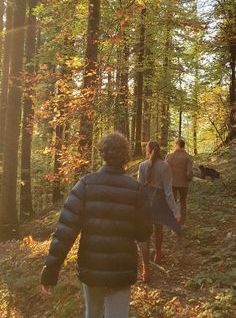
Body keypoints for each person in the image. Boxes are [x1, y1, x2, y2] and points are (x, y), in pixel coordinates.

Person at [41, 131, 152, 318]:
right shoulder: (136, 190)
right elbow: (143, 233)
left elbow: (65, 231)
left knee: (92, 314)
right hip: (121, 269)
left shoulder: (85, 185)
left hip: (92, 268)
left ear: (103, 153)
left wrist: (51, 270)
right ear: (125, 156)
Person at [138, 139, 181, 282]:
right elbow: (168, 192)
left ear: (148, 151)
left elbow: (139, 189)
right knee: (158, 229)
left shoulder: (142, 166)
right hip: (159, 203)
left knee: (144, 235)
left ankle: (146, 270)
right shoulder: (165, 166)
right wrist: (175, 212)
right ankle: (157, 253)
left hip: (144, 203)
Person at [166, 137, 193, 225]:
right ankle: (182, 222)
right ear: (183, 146)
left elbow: (165, 170)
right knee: (183, 202)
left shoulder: (169, 156)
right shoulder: (188, 157)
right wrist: (189, 179)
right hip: (184, 184)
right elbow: (189, 173)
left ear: (177, 145)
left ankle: (173, 220)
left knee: (173, 202)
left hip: (172, 183)